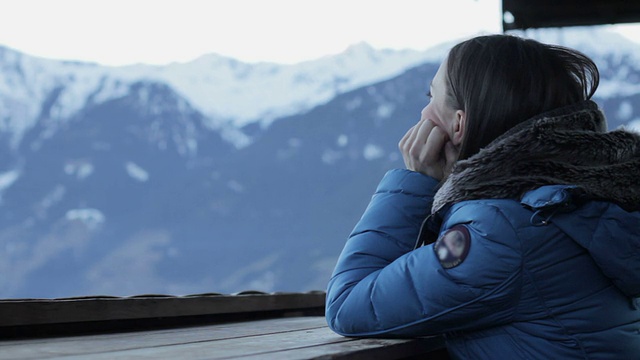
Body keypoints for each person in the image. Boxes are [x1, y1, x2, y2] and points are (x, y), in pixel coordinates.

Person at [325, 34, 640, 359]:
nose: (423, 113)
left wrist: (415, 181)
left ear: (458, 124)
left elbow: (348, 305)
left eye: (431, 96)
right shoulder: (575, 201)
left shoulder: (500, 231)